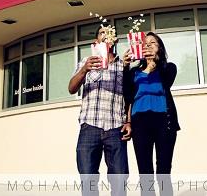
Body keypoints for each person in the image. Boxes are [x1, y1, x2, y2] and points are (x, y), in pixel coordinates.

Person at [68, 26, 131, 196]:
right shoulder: (87, 62)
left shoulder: (122, 64)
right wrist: (84, 70)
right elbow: (71, 88)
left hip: (116, 128)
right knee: (88, 180)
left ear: (115, 40)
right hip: (90, 126)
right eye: (102, 32)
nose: (106, 35)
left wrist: (128, 121)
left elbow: (128, 97)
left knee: (119, 180)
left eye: (110, 32)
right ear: (96, 41)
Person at [123, 32, 180, 196]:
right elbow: (126, 95)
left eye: (152, 43)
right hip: (140, 122)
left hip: (164, 122)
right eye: (145, 43)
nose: (148, 45)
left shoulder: (168, 68)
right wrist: (126, 66)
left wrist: (154, 62)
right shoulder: (134, 72)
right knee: (145, 172)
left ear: (160, 48)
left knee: (163, 170)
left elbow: (166, 82)